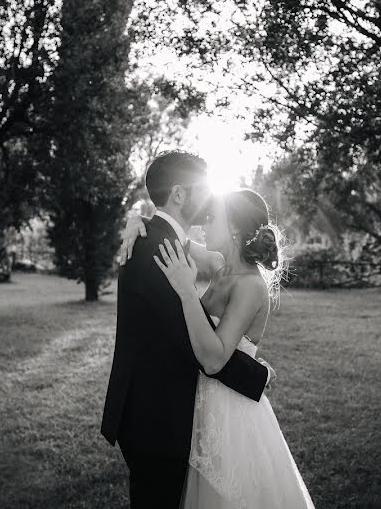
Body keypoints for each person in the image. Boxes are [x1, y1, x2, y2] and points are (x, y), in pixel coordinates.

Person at [119, 184, 315, 508]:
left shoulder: (251, 286)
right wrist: (137, 222)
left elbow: (214, 360)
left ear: (235, 228)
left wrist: (186, 290)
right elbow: (174, 238)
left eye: (212, 219)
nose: (203, 225)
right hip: (196, 404)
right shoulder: (219, 266)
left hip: (229, 417)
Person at [101, 151, 273, 509]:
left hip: (158, 412)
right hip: (156, 420)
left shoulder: (158, 239)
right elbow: (195, 343)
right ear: (179, 195)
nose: (209, 199)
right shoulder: (157, 251)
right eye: (203, 188)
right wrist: (259, 374)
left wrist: (141, 218)